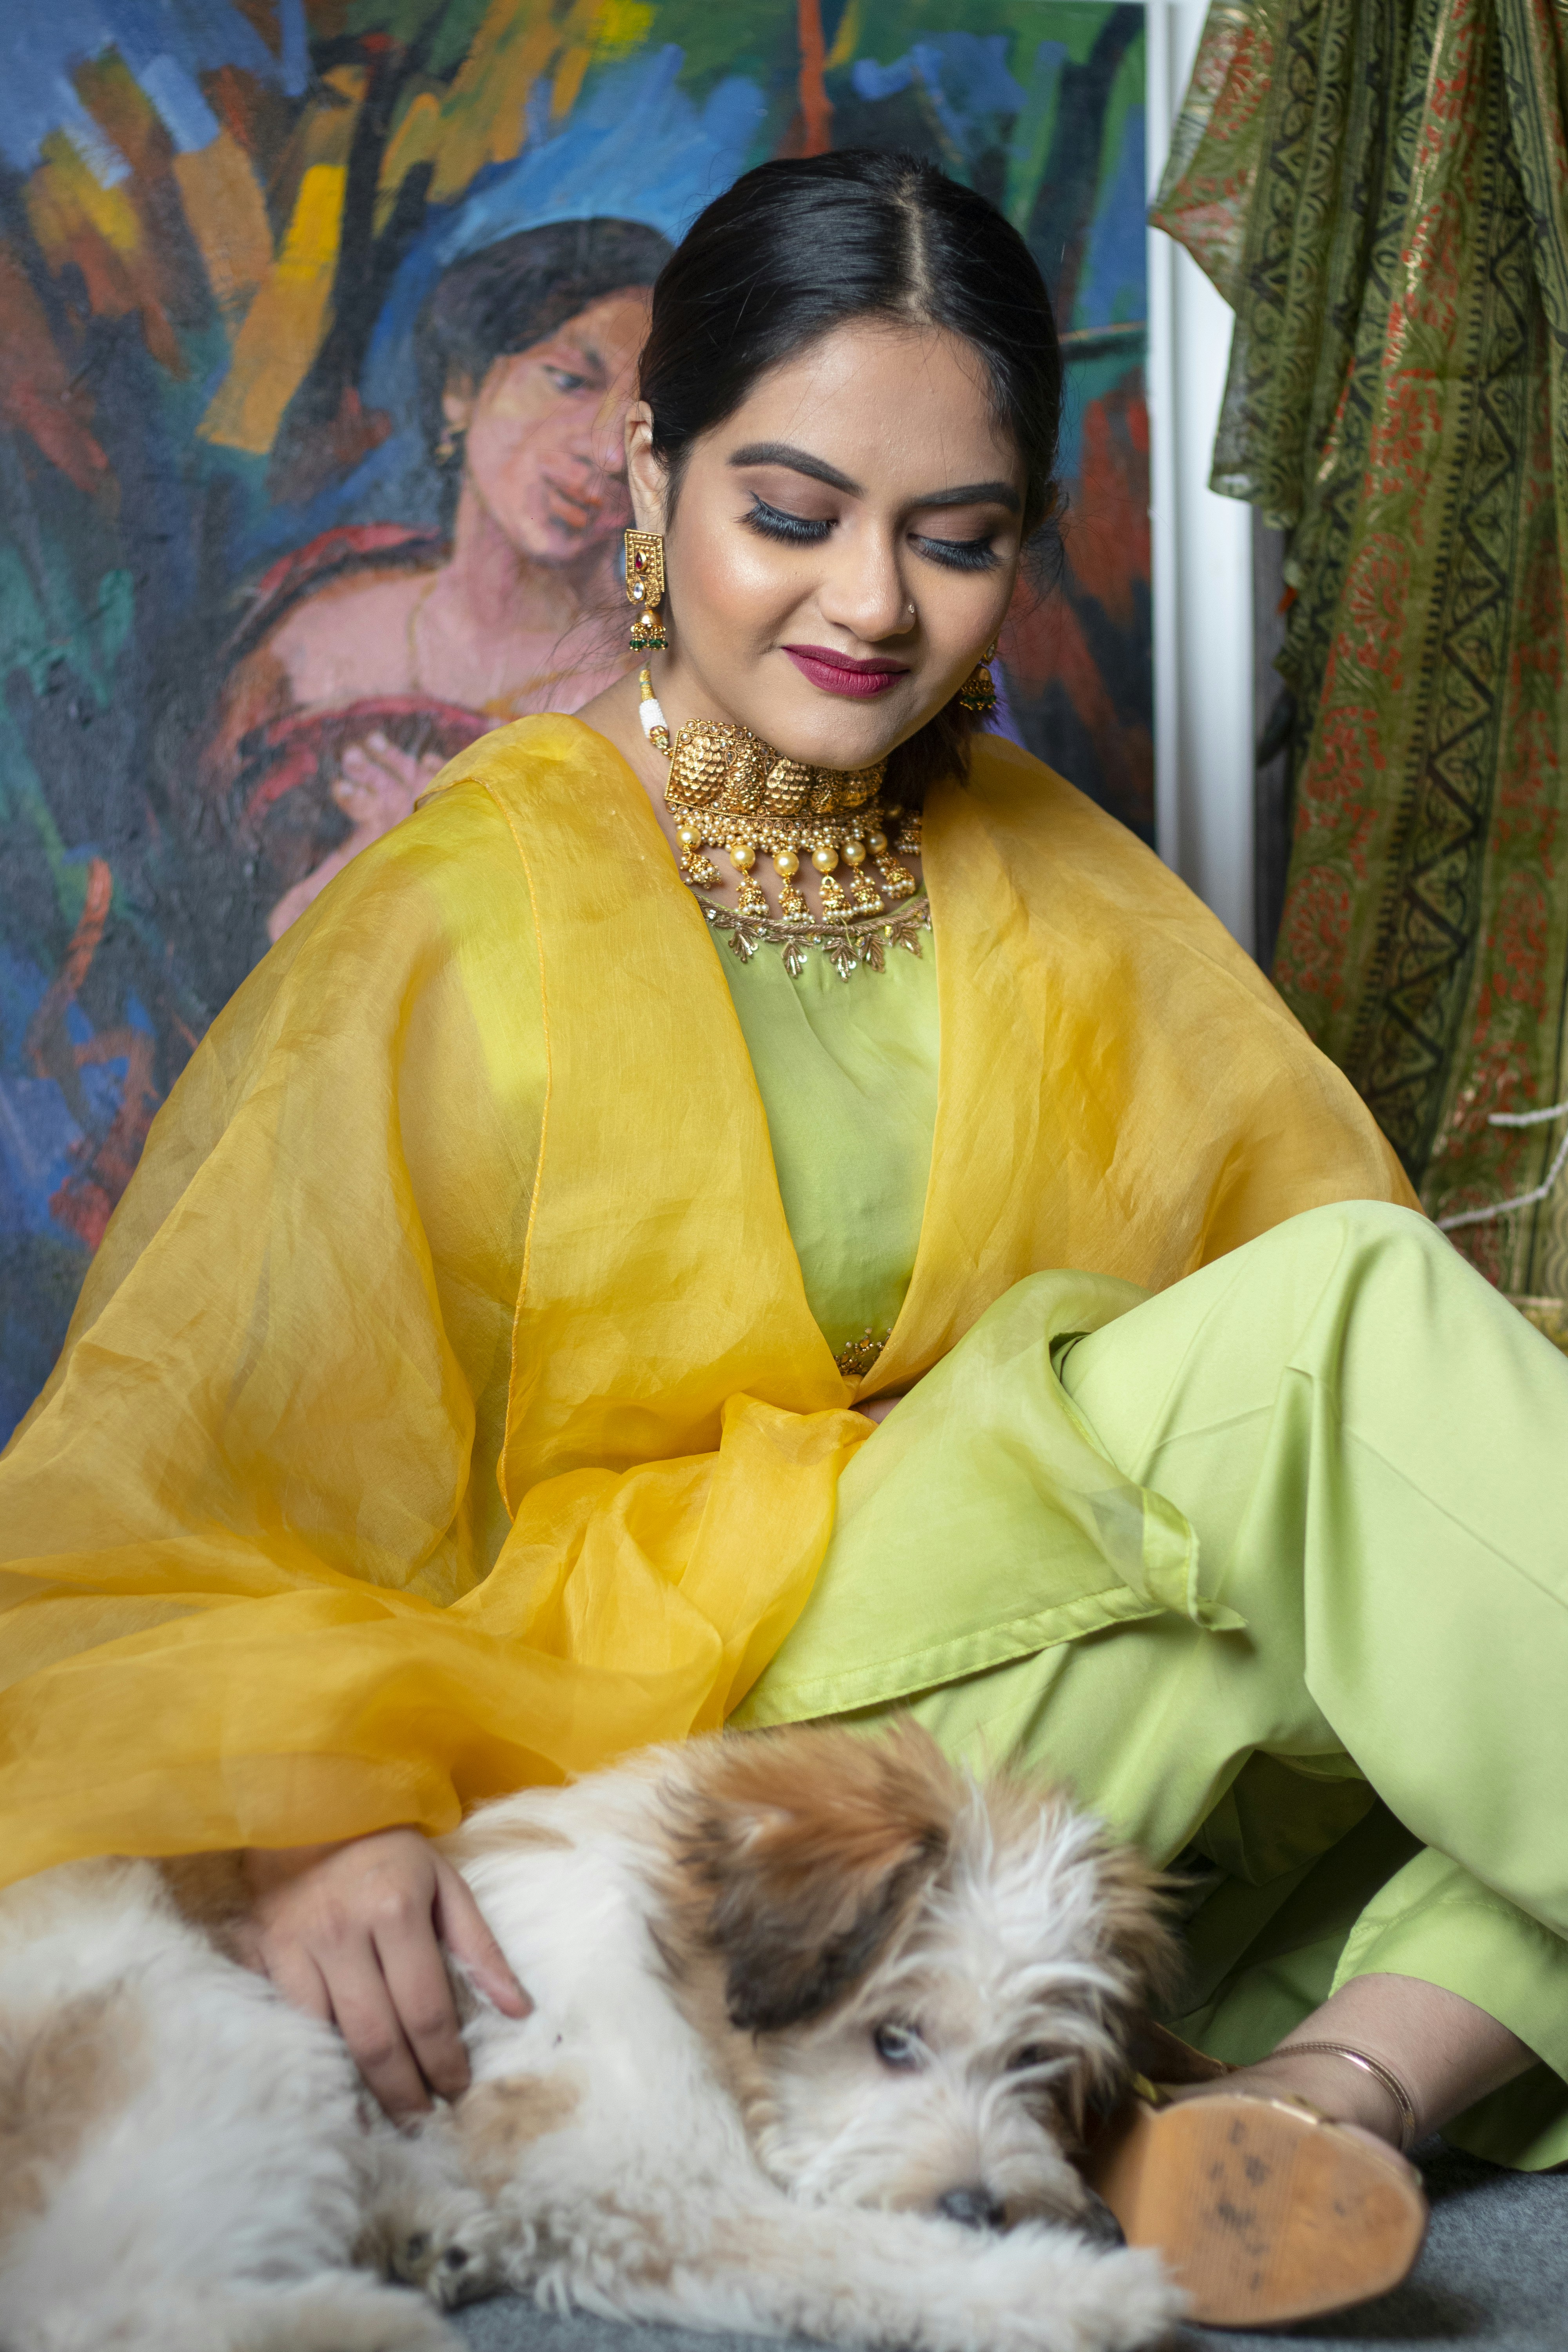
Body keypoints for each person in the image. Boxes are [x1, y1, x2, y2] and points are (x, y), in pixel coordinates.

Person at [4, 152, 1566, 2325]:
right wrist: (307, 1806)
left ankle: (1328, 2094)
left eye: (958, 538)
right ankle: (1358, 2058)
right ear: (653, 482)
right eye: (792, 510)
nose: (871, 606)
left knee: (1404, 1590)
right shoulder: (473, 906)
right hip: (683, 1761)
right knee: (1336, 1353)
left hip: (987, 1739)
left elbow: (1388, 1427)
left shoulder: (1055, 876)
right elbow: (178, 1466)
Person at [198, 218, 670, 945]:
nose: (606, 452)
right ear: (462, 387)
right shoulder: (311, 633)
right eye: (570, 382)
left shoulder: (658, 691)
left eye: (646, 421)